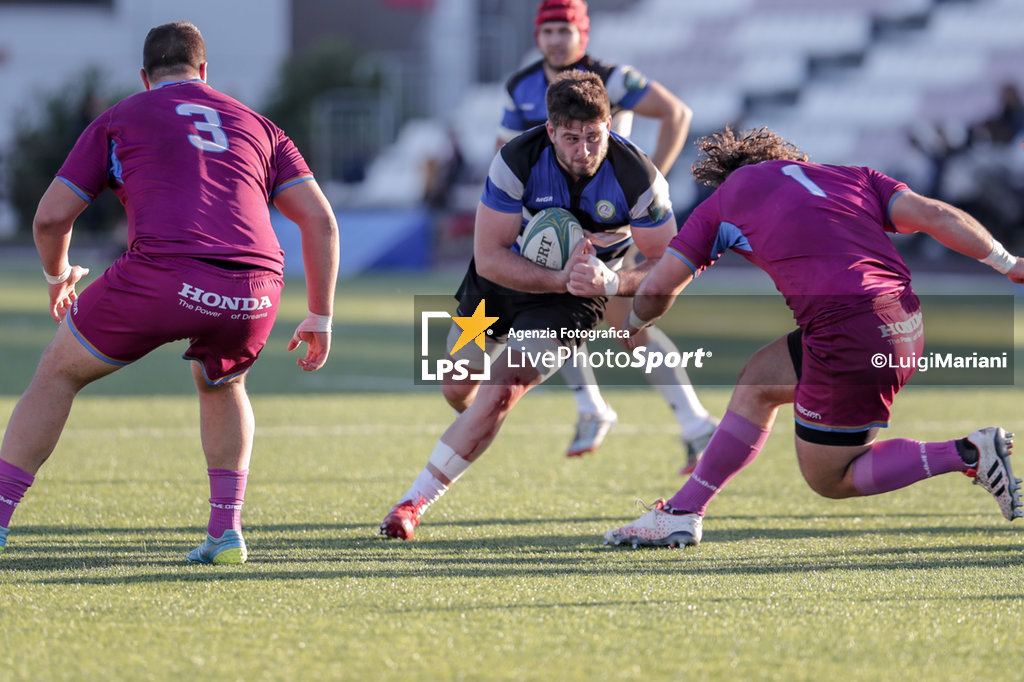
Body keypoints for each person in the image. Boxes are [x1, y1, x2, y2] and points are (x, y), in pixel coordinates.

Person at [0, 22, 339, 564]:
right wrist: (320, 315)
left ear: (144, 77)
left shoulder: (121, 117)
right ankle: (226, 531)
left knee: (57, 372)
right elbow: (320, 221)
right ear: (205, 72)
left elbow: (49, 218)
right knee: (222, 382)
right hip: (253, 289)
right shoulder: (261, 125)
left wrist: (57, 275)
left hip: (162, 274)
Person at [604, 127, 1023, 549]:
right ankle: (683, 511)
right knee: (759, 381)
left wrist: (633, 322)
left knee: (831, 477)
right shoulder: (851, 175)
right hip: (904, 322)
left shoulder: (727, 199)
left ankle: (968, 453)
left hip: (849, 336)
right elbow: (935, 214)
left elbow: (659, 289)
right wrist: (1007, 263)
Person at [381, 71, 678, 540]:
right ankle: (475, 424)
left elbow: (670, 262)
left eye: (594, 136)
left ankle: (411, 503)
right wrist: (556, 275)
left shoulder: (638, 176)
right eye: (571, 138)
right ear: (550, 132)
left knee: (502, 389)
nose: (584, 150)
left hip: (576, 297)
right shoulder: (515, 159)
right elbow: (489, 257)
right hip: (498, 285)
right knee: (458, 385)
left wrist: (615, 280)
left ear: (609, 126)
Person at [497, 0, 716, 468]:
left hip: (608, 221)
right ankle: (658, 419)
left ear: (583, 34)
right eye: (548, 30)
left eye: (565, 29)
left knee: (627, 323)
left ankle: (683, 423)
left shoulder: (611, 79)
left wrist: (649, 181)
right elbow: (505, 147)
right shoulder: (521, 84)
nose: (556, 39)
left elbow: (676, 113)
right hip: (550, 219)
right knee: (561, 307)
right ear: (537, 36)